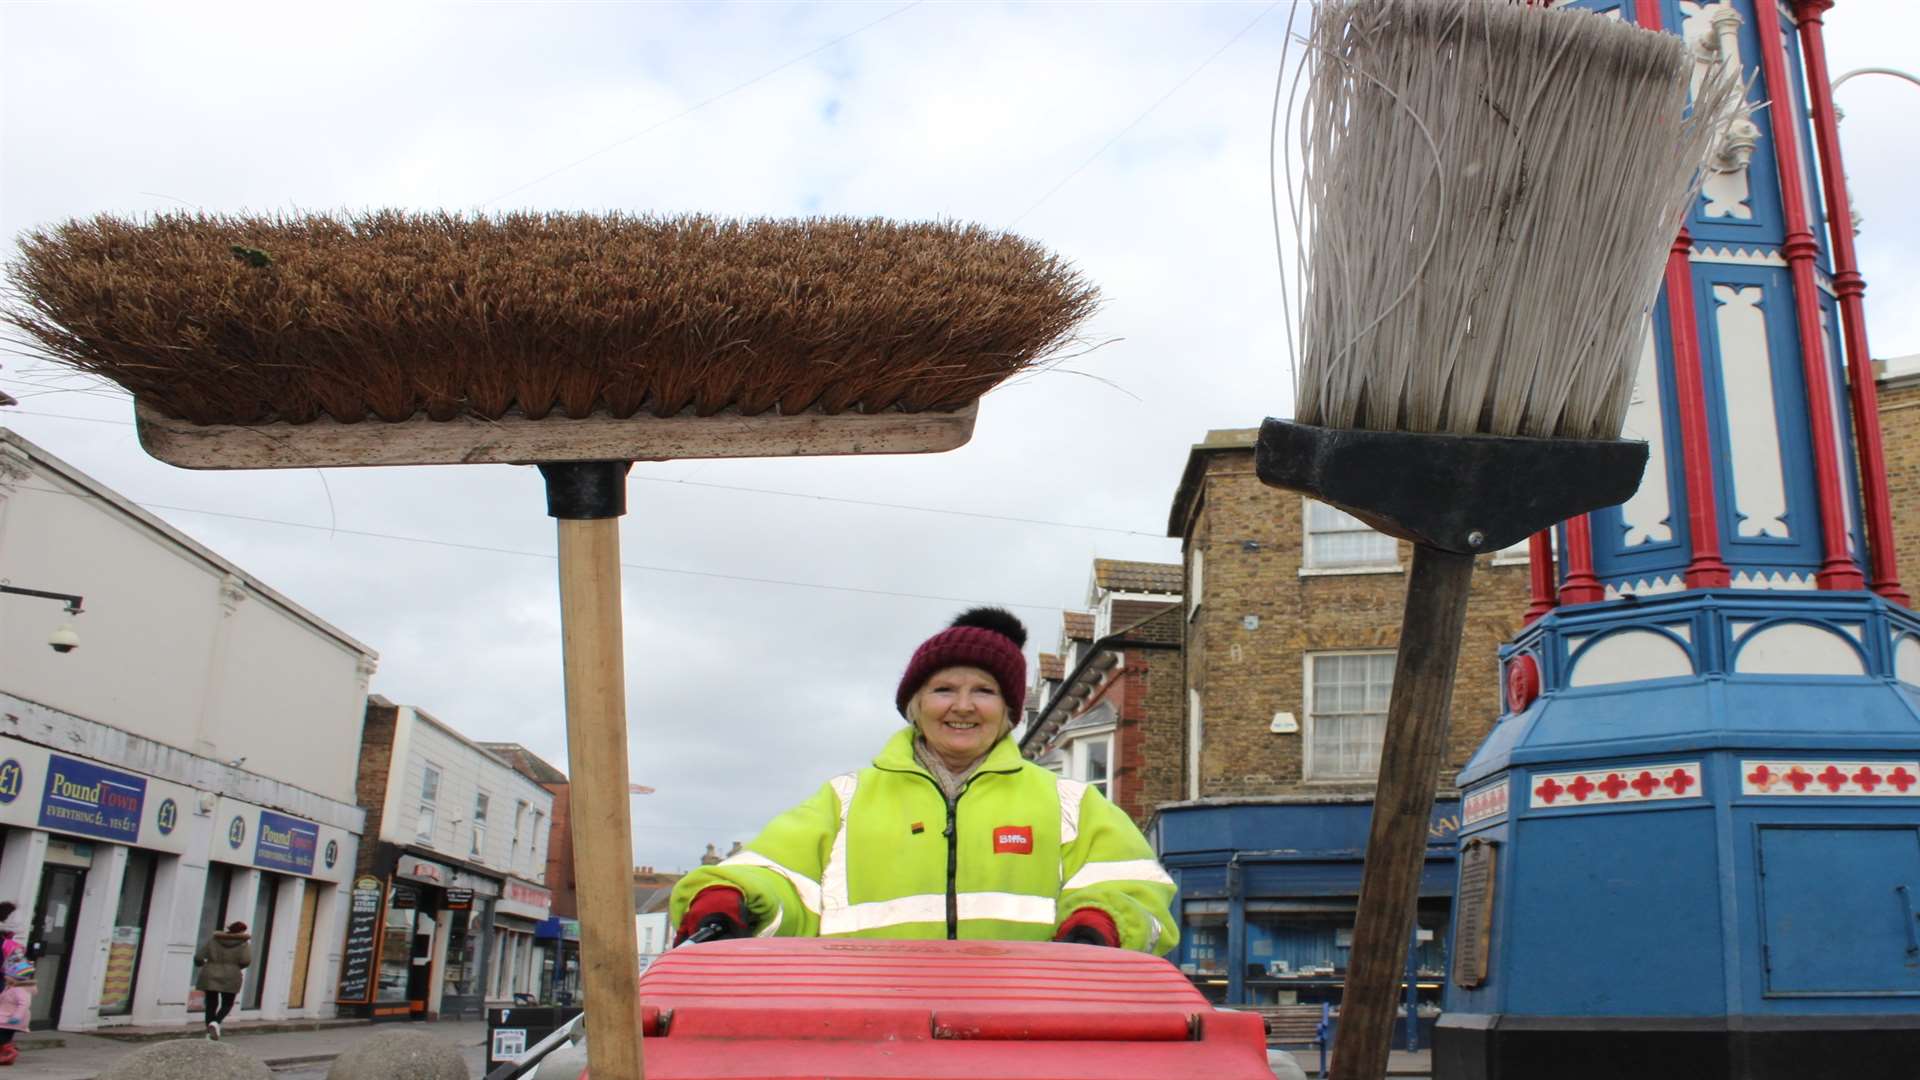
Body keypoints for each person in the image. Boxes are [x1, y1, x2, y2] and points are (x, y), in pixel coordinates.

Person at [670, 607, 1179, 954]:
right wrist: (726, 899)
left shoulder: (1071, 803)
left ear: (1008, 711)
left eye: (983, 690)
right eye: (943, 688)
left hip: (1027, 1039)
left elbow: (1135, 892)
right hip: (868, 1041)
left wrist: (1102, 924)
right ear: (914, 705)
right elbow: (773, 874)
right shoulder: (845, 799)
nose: (962, 705)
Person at [193, 921, 251, 1039]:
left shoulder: (214, 940)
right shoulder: (244, 944)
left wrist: (201, 964)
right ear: (242, 931)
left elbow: (198, 957)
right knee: (227, 1003)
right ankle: (216, 1022)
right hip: (231, 975)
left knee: (211, 1004)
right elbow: (246, 961)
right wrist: (235, 967)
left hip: (210, 973)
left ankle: (209, 1032)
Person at [0, 956, 32, 1066]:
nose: (5, 977)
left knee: (2, 1038)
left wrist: (17, 1017)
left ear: (15, 977)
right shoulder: (10, 987)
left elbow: (24, 1004)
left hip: (10, 1019)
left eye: (7, 975)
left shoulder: (19, 990)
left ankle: (11, 1052)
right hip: (5, 1018)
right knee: (4, 1039)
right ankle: (6, 1057)